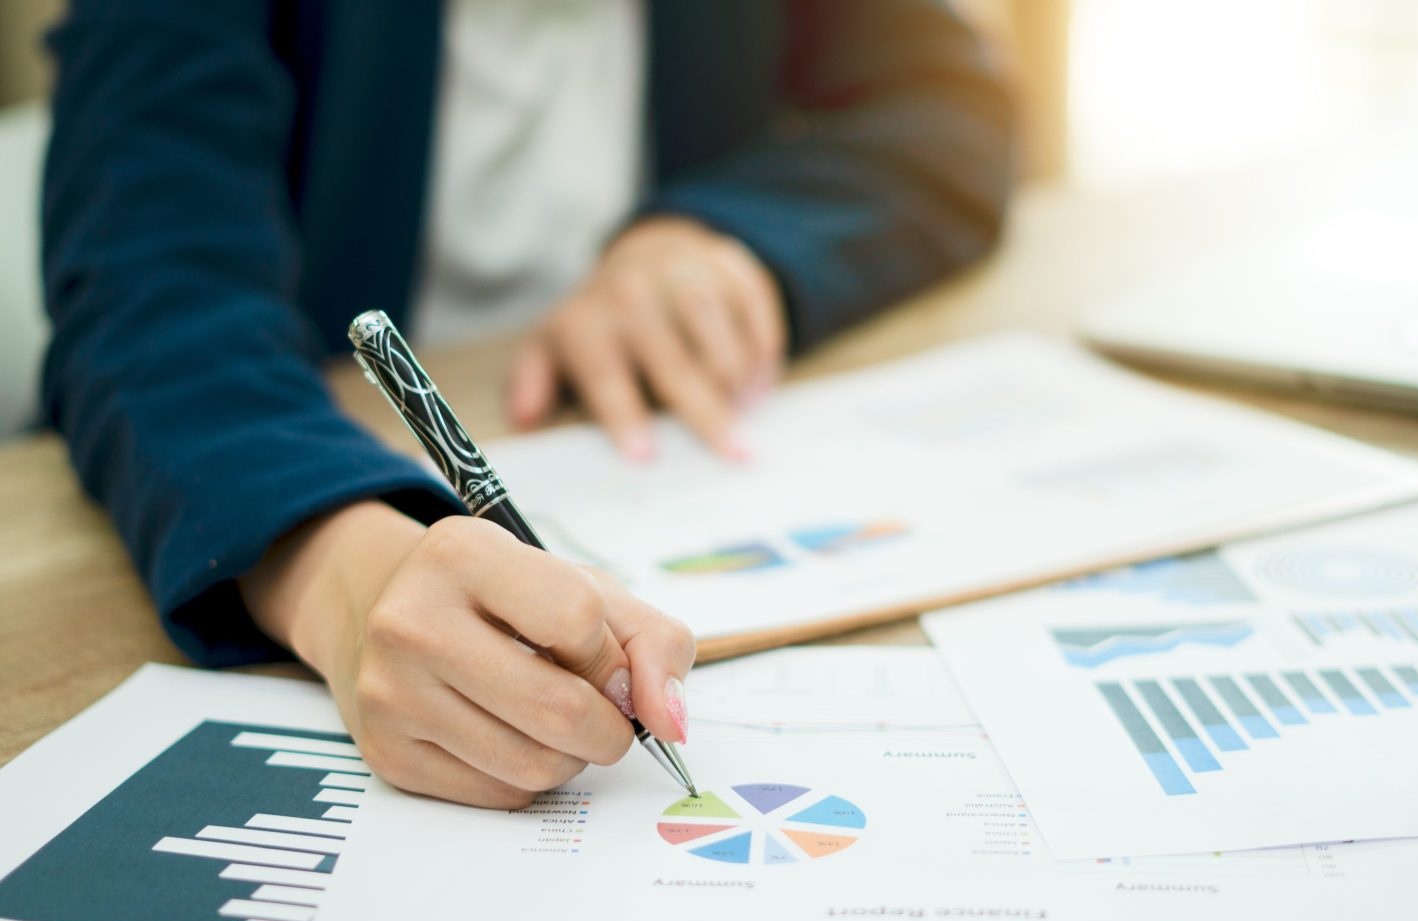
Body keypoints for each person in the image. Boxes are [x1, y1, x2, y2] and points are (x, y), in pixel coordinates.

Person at [40, 0, 1015, 809]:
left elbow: (946, 104)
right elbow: (146, 281)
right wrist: (342, 569)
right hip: (313, 449)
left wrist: (728, 235)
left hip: (642, 452)